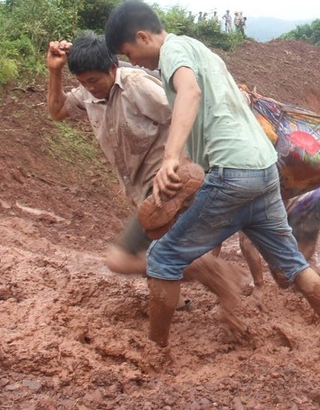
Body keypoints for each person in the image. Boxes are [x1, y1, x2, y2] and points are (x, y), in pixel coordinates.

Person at [104, 0, 320, 356]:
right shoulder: (200, 49)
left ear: (142, 36)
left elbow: (190, 93)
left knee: (163, 259)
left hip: (232, 172)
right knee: (293, 264)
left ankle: (156, 351)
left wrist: (168, 159)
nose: (132, 62)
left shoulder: (172, 52)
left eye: (128, 53)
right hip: (263, 170)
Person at [45, 33, 244, 315]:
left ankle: (205, 269)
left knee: (120, 260)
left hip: (166, 186)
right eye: (82, 82)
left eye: (94, 80)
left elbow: (186, 110)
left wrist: (185, 164)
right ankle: (185, 305)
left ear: (113, 68)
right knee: (157, 262)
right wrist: (55, 71)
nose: (89, 88)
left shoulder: (136, 86)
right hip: (141, 192)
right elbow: (56, 111)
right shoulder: (88, 96)